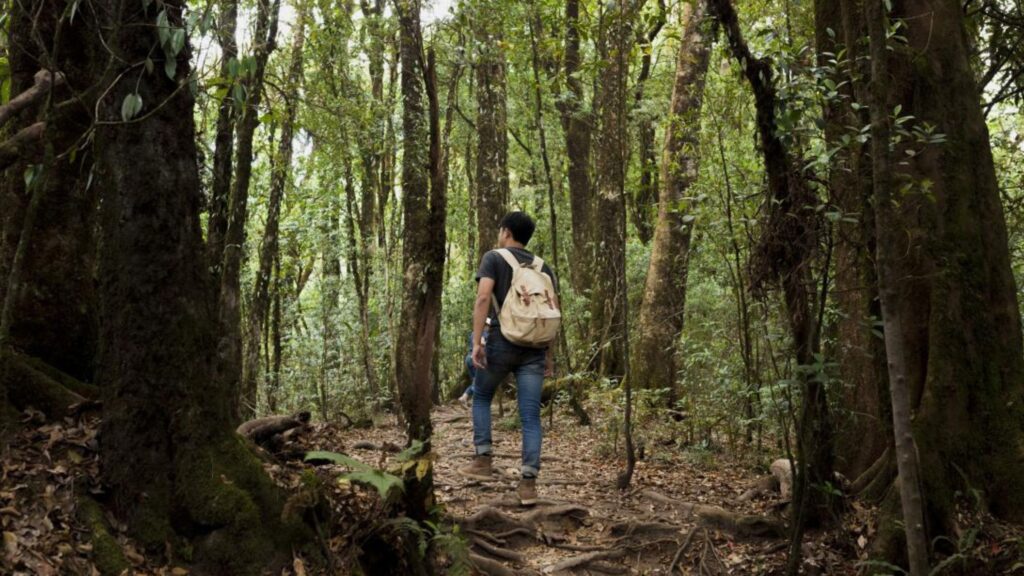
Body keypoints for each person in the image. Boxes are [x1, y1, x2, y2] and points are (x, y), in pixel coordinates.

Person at [458, 211, 558, 506]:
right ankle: (528, 484)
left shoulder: (494, 258)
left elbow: (482, 298)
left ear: (506, 232)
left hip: (502, 342)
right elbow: (551, 312)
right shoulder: (543, 266)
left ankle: (483, 460)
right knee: (530, 415)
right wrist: (549, 355)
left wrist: (477, 342)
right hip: (535, 348)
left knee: (482, 396)